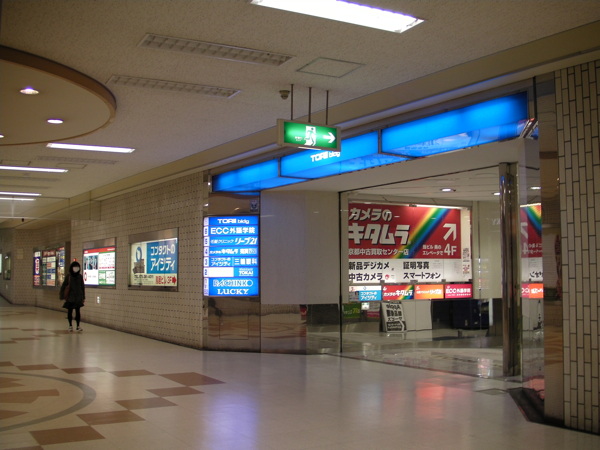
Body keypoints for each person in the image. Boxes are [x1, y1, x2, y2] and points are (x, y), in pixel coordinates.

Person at [60, 261, 85, 332]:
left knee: (78, 312)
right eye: (75, 267)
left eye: (77, 267)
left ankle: (78, 326)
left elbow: (82, 287)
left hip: (78, 297)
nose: (76, 268)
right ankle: (70, 325)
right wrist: (62, 296)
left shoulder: (80, 277)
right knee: (70, 311)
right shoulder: (68, 277)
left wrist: (83, 297)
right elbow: (64, 286)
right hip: (70, 297)